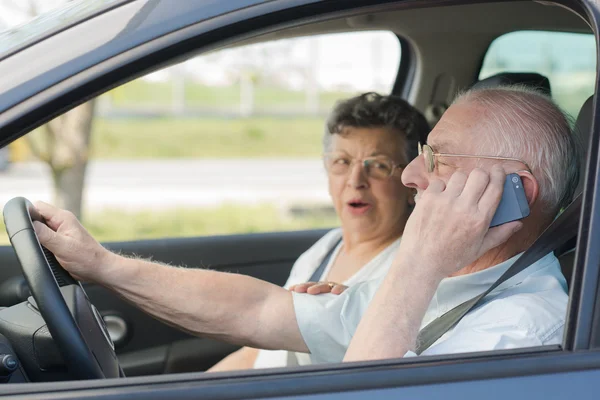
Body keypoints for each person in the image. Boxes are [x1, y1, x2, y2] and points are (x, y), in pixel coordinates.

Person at [33, 85, 579, 364]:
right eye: (423, 152)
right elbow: (258, 310)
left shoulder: (521, 329)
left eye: (439, 158)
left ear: (516, 194)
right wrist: (103, 265)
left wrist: (417, 260)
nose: (410, 174)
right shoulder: (458, 285)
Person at [208, 92, 430, 371]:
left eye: (378, 165)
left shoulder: (414, 272)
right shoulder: (327, 247)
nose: (355, 180)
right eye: (341, 162)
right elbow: (253, 355)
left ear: (412, 185)